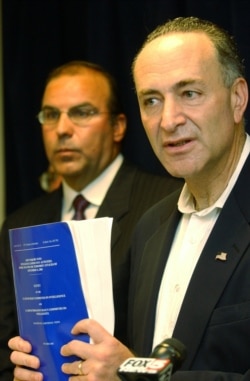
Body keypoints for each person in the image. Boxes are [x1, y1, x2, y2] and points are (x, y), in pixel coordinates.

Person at [8, 15, 250, 381]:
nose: (168, 120)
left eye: (189, 93)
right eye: (151, 100)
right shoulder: (150, 227)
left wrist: (128, 375)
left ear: (237, 99)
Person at [0, 60, 183, 380]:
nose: (62, 129)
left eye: (82, 113)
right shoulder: (20, 225)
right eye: (51, 115)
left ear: (118, 126)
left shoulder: (169, 204)